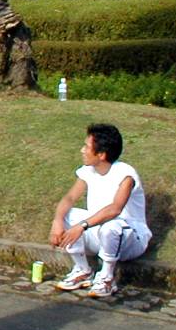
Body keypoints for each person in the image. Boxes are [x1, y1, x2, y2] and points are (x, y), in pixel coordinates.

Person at [50, 123, 151, 298]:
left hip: (130, 239)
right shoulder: (88, 171)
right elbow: (70, 198)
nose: (82, 150)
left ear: (101, 154)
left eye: (86, 147)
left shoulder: (126, 174)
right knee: (68, 213)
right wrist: (57, 222)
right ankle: (83, 270)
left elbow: (115, 209)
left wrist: (81, 226)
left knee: (111, 226)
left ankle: (107, 277)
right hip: (99, 233)